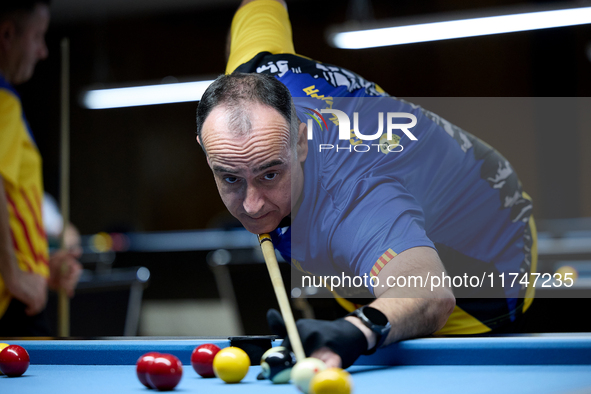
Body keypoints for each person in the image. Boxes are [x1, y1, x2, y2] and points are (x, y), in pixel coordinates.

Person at [196, 0, 537, 368]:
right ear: (202, 145)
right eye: (230, 177)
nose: (252, 205)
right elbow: (260, 6)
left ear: (301, 142)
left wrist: (359, 328)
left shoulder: (353, 198)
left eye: (269, 173)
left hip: (487, 256)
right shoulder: (255, 70)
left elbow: (430, 294)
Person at [0, 0, 82, 336]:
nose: (42, 51)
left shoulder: (9, 102)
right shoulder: (3, 102)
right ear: (7, 34)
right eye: (37, 37)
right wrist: (13, 275)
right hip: (10, 304)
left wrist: (41, 266)